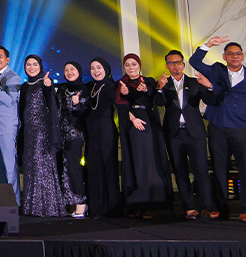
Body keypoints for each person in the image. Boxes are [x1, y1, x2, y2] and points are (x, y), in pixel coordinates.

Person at [190, 36, 246, 221]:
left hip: (244, 130)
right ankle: (220, 209)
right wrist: (208, 45)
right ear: (224, 56)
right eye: (231, 54)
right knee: (219, 170)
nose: (235, 56)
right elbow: (195, 62)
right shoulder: (216, 71)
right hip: (218, 127)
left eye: (238, 54)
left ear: (243, 56)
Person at [157, 49, 217, 219]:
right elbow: (159, 102)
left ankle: (207, 207)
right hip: (174, 134)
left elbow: (211, 100)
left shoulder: (195, 82)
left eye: (178, 62)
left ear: (183, 64)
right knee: (180, 171)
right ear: (167, 66)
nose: (175, 66)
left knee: (201, 171)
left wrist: (209, 86)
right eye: (171, 63)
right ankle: (190, 208)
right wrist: (159, 89)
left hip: (195, 133)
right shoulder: (163, 83)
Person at [116, 53, 172, 217]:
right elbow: (120, 105)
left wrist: (150, 89)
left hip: (148, 123)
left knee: (150, 161)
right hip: (131, 124)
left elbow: (159, 101)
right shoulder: (121, 84)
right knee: (136, 162)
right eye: (127, 65)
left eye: (134, 64)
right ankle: (136, 203)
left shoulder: (148, 81)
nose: (131, 67)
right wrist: (132, 118)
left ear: (139, 65)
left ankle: (151, 203)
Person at [18, 55, 66, 217]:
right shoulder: (24, 86)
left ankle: (47, 207)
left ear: (40, 66)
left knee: (41, 164)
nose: (31, 67)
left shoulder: (45, 82)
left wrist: (48, 86)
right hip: (28, 132)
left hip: (42, 131)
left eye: (35, 64)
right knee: (30, 165)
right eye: (28, 64)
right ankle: (32, 206)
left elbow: (52, 103)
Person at [84, 57, 122, 217]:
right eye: (92, 68)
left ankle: (111, 207)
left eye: (99, 67)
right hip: (91, 133)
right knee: (93, 168)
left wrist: (132, 118)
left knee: (108, 167)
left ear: (106, 69)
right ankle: (96, 208)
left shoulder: (112, 87)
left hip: (106, 132)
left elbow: (121, 105)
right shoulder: (90, 87)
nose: (96, 71)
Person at [0, 45, 21, 203]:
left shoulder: (13, 77)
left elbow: (10, 101)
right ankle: (3, 201)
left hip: (6, 126)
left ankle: (14, 202)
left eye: (0, 56)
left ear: (7, 59)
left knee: (9, 166)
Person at [55, 61, 89, 218]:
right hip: (61, 134)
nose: (69, 72)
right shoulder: (62, 89)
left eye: (72, 69)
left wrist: (77, 104)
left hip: (75, 134)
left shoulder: (84, 89)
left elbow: (83, 113)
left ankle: (81, 203)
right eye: (66, 69)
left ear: (79, 71)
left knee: (74, 167)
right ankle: (68, 202)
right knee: (63, 168)